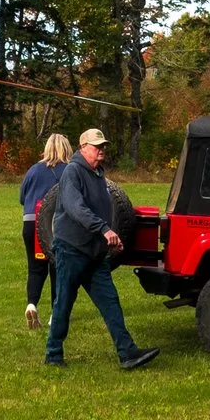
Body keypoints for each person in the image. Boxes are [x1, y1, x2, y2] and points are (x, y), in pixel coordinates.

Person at [43, 130, 160, 370]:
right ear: (82, 146)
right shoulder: (72, 172)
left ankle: (127, 353)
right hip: (71, 249)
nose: (102, 150)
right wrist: (104, 229)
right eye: (97, 146)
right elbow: (76, 208)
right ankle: (53, 354)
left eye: (103, 146)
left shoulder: (98, 174)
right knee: (64, 302)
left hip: (94, 255)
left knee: (110, 302)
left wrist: (112, 240)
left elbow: (102, 209)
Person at [18, 133, 72, 329]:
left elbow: (22, 198)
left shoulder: (33, 170)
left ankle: (31, 304)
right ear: (67, 148)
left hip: (31, 223)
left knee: (35, 268)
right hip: (54, 224)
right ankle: (54, 315)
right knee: (57, 268)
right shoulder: (68, 170)